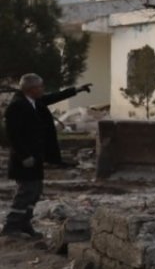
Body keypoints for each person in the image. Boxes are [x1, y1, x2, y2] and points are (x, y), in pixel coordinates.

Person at [4, 74, 91, 238]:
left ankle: (24, 223)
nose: (43, 90)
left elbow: (53, 97)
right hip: (24, 159)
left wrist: (76, 90)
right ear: (31, 89)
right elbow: (13, 135)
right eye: (40, 87)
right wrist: (24, 156)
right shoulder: (17, 106)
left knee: (35, 191)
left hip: (35, 157)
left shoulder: (34, 101)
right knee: (26, 191)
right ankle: (11, 226)